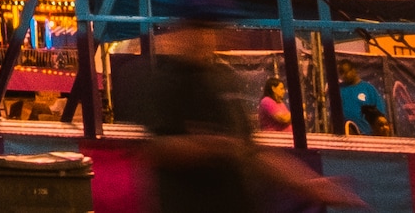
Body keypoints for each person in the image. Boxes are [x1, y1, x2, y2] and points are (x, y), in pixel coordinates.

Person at [139, 15, 363, 213]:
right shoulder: (164, 82)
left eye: (210, 30)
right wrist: (211, 145)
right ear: (182, 32)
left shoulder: (221, 79)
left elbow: (251, 151)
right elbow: (157, 148)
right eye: (199, 29)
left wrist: (308, 183)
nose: (205, 38)